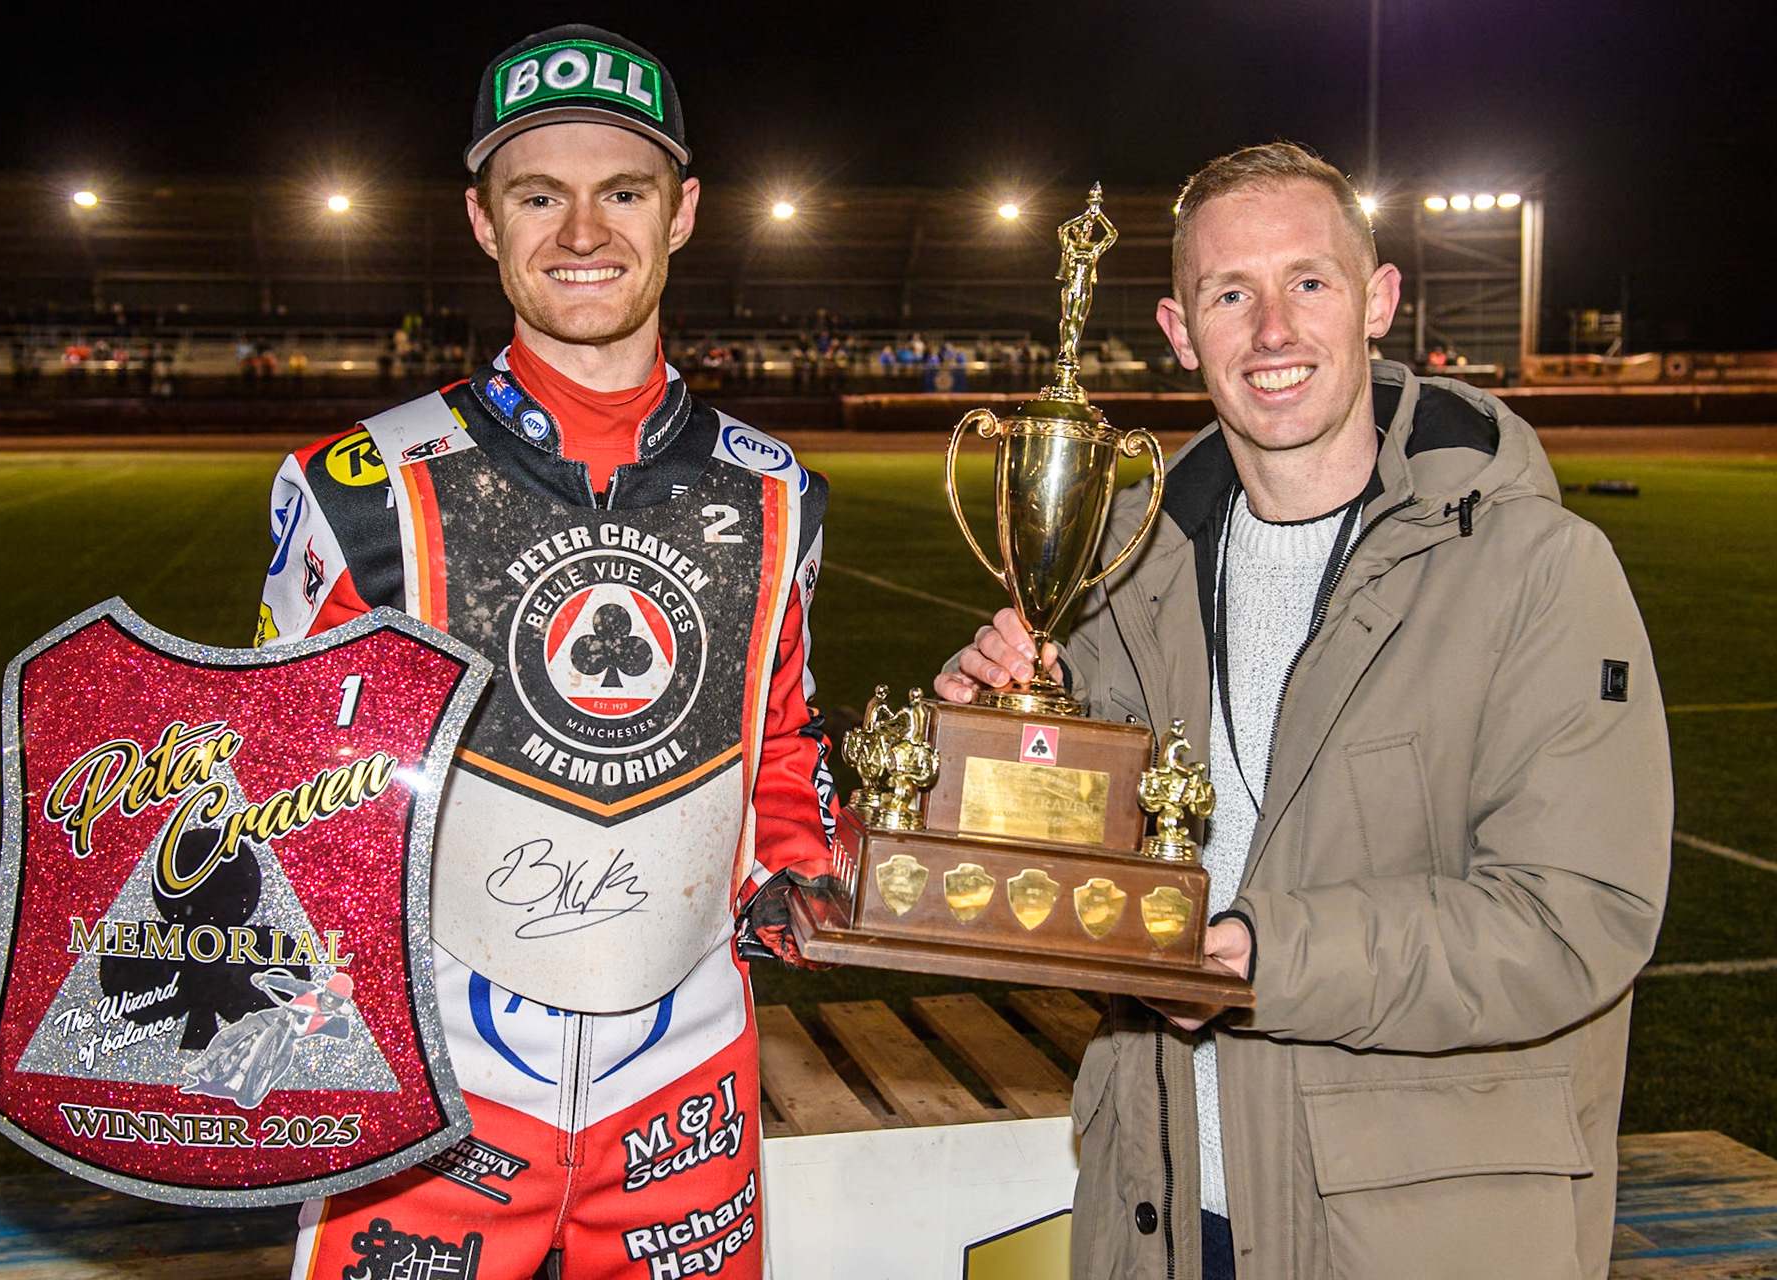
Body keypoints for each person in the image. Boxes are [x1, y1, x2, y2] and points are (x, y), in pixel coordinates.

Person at [937, 143, 1670, 1280]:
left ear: (1377, 301)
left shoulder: (1541, 568)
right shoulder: (1127, 587)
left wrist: (1264, 954)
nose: (1273, 329)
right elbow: (1074, 889)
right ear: (1182, 332)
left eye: (1309, 282)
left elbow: (1576, 918)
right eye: (1232, 293)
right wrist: (996, 749)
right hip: (1167, 1216)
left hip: (1416, 1237)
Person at [258, 26, 839, 1279]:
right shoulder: (356, 485)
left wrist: (795, 857)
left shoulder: (779, 491)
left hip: (685, 1095)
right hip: (426, 1103)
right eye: (540, 195)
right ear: (482, 220)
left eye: (621, 191)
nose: (584, 233)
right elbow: (283, 797)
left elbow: (780, 736)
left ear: (682, 213)